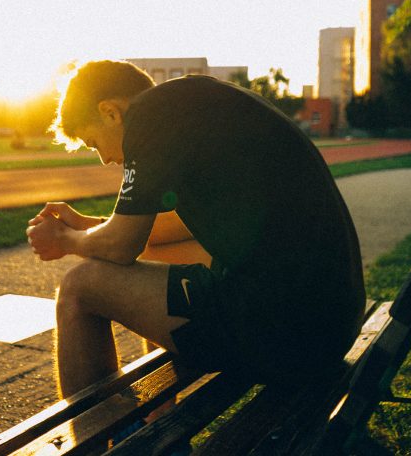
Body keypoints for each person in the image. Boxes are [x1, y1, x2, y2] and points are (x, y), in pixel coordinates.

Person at [26, 60, 365, 399]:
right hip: (331, 320)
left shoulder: (147, 116)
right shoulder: (194, 103)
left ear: (111, 112)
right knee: (158, 255)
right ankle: (160, 420)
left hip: (286, 333)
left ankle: (103, 445)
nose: (105, 158)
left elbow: (121, 246)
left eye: (93, 142)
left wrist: (66, 240)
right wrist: (89, 227)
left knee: (79, 287)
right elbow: (162, 232)